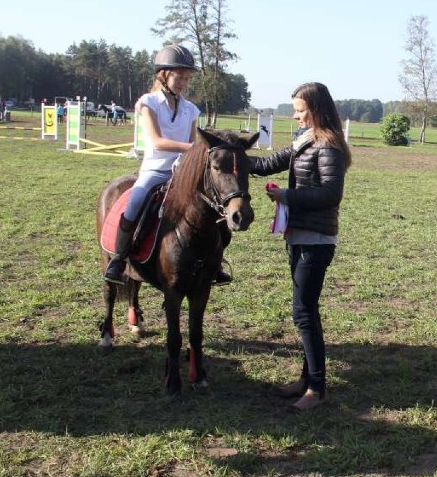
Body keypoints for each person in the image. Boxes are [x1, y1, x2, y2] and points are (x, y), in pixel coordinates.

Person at [250, 82, 351, 412]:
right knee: (305, 310)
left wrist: (287, 196)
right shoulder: (304, 141)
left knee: (303, 312)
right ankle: (307, 379)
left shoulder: (329, 146)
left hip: (316, 240)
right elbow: (268, 163)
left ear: (317, 110)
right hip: (300, 235)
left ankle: (318, 388)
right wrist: (231, 154)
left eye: (300, 110)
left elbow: (330, 194)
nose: (294, 116)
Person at [104, 45, 230, 286]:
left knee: (215, 210)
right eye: (178, 76)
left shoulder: (190, 109)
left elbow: (193, 141)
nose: (183, 82)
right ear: (163, 75)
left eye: (187, 78)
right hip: (155, 169)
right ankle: (118, 259)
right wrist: (194, 150)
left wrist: (197, 152)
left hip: (184, 172)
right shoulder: (149, 103)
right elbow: (157, 141)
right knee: (135, 204)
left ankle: (216, 263)